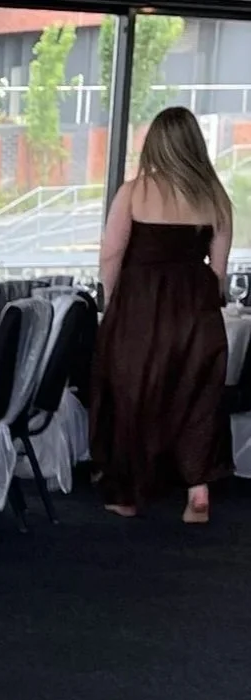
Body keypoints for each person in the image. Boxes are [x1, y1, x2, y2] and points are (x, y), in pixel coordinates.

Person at [91, 106, 232, 523]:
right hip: (197, 311)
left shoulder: (134, 192)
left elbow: (111, 255)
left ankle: (128, 495)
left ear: (155, 143)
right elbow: (219, 271)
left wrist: (114, 304)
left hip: (141, 309)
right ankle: (198, 489)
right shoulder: (216, 197)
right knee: (197, 399)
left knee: (133, 395)